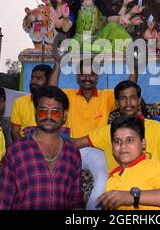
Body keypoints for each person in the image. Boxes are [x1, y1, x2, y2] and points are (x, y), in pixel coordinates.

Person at [49, 59, 137, 210]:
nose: (87, 78)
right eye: (83, 74)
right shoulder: (68, 95)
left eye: (92, 74)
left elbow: (128, 89)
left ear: (97, 77)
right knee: (54, 179)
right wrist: (57, 64)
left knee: (103, 178)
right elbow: (50, 92)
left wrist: (134, 66)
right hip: (70, 147)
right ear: (77, 77)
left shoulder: (106, 96)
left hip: (95, 149)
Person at [0, 86, 84, 210]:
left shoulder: (72, 152)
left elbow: (76, 200)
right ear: (35, 113)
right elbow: (3, 200)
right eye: (43, 111)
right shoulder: (17, 151)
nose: (49, 116)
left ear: (64, 116)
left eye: (55, 111)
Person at [97, 116, 160, 210]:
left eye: (130, 140)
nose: (123, 146)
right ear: (112, 147)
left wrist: (133, 197)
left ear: (143, 143)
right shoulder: (112, 179)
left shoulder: (153, 167)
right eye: (117, 141)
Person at [57, 0, 143, 53]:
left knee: (113, 26)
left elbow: (109, 18)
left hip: (96, 41)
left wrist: (120, 18)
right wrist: (66, 17)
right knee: (105, 49)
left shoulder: (98, 8)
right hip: (79, 44)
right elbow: (65, 29)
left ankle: (133, 51)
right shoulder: (75, 9)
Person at [10, 64, 53, 141]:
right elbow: (15, 131)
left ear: (49, 81)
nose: (33, 81)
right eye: (32, 78)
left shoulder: (56, 103)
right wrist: (23, 148)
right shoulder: (19, 102)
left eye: (39, 78)